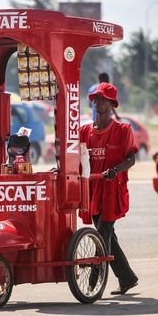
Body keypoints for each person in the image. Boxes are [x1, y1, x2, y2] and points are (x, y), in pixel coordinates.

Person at [80, 82, 138, 295]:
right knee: (108, 236)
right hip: (92, 190)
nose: (98, 102)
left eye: (103, 99)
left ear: (112, 104)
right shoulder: (84, 131)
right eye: (96, 99)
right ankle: (127, 278)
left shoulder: (123, 130)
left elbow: (131, 158)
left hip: (113, 191)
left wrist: (116, 170)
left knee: (102, 234)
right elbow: (75, 158)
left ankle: (92, 285)